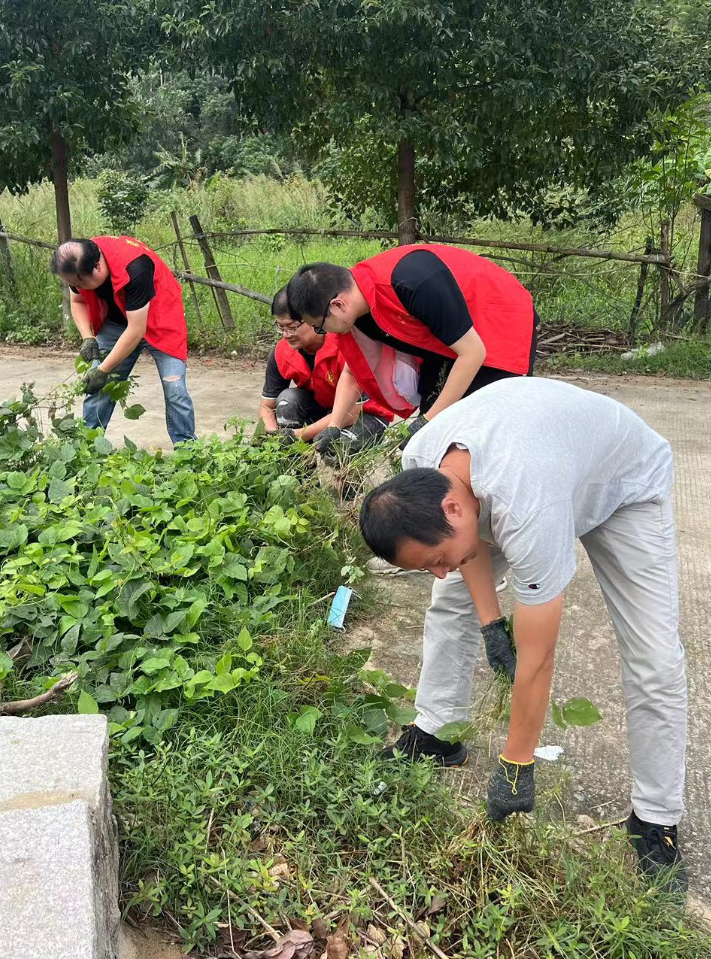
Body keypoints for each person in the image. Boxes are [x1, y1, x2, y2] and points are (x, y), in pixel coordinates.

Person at [359, 377, 688, 891]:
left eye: (436, 560)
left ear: (453, 509)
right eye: (426, 566)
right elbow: (465, 555)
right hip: (542, 464)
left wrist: (516, 762)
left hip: (622, 484)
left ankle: (656, 818)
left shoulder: (525, 501)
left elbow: (538, 658)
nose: (441, 571)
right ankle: (438, 732)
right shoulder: (422, 469)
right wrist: (492, 623)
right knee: (449, 605)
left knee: (653, 656)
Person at [284, 245, 538, 443]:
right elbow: (353, 372)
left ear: (337, 305)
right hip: (444, 344)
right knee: (435, 434)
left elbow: (473, 353)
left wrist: (429, 420)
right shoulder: (356, 311)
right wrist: (333, 427)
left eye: (319, 325)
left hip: (499, 323)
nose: (322, 332)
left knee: (480, 431)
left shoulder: (412, 281)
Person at [51, 236, 196, 445]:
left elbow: (136, 331)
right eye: (73, 283)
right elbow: (78, 300)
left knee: (175, 391)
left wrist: (103, 370)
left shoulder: (136, 267)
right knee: (98, 387)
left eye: (81, 283)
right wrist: (87, 337)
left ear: (98, 266)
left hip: (160, 318)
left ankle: (188, 451)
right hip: (117, 319)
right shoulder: (76, 263)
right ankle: (87, 447)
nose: (78, 286)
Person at [259, 288, 393, 457]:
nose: (286, 335)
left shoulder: (346, 342)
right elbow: (266, 405)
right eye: (280, 327)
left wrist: (299, 435)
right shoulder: (281, 353)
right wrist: (273, 436)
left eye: (292, 327)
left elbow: (353, 410)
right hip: (322, 409)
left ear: (311, 318)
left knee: (335, 451)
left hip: (363, 413)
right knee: (288, 400)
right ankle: (299, 472)